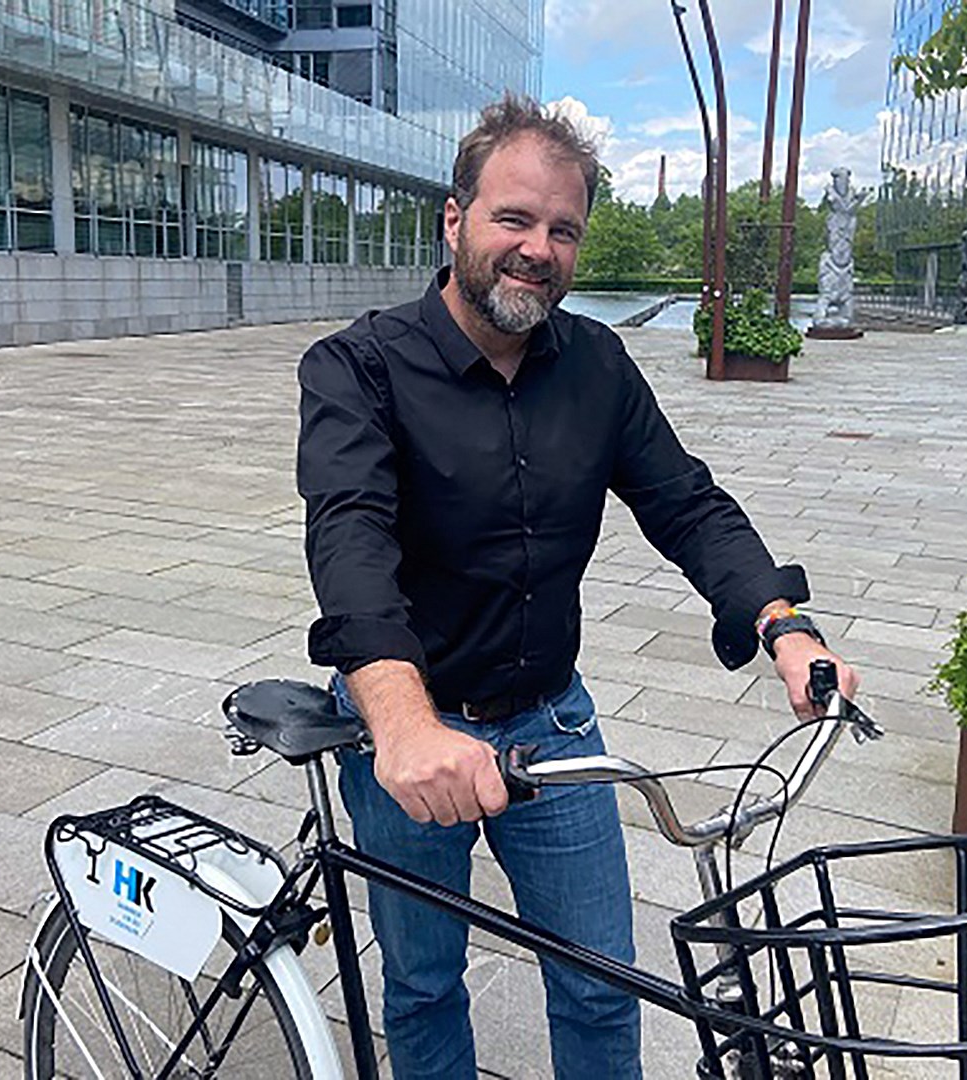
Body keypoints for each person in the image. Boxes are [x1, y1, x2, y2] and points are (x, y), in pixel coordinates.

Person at [296, 94, 859, 1080]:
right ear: (454, 218)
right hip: (410, 723)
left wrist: (785, 626)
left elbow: (686, 504)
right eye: (513, 218)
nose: (537, 249)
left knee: (601, 982)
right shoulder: (358, 367)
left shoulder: (596, 363)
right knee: (423, 984)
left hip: (552, 724)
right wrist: (404, 724)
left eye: (562, 230)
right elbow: (351, 545)